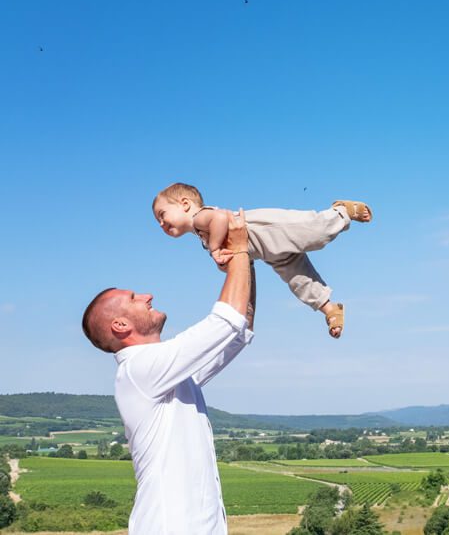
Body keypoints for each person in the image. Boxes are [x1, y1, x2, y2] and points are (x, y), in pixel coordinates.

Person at [82, 209, 254, 534]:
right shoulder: (140, 370)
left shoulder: (166, 373)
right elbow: (225, 321)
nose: (148, 295)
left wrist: (247, 259)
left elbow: (237, 328)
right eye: (134, 298)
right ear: (120, 325)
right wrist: (241, 249)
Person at [151, 182, 372, 338]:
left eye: (163, 215)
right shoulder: (200, 233)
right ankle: (330, 309)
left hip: (264, 230)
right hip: (266, 251)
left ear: (185, 204)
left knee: (315, 232)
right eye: (157, 221)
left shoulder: (200, 218)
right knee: (299, 279)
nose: (161, 224)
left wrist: (215, 249)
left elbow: (219, 217)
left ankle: (341, 212)